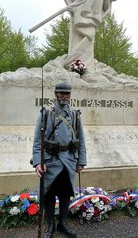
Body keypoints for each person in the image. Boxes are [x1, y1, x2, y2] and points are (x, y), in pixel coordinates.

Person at [32, 81, 87, 238]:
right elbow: (37, 141)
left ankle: (63, 223)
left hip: (69, 160)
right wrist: (38, 162)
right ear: (56, 94)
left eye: (67, 93)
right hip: (50, 160)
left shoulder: (75, 114)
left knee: (65, 193)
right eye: (61, 93)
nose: (64, 96)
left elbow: (81, 139)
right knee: (49, 193)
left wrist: (81, 160)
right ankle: (50, 225)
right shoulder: (45, 113)